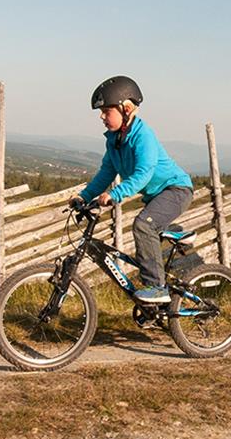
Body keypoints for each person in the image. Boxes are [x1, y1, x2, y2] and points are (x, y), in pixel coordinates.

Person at [73, 76, 194, 304]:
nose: (101, 116)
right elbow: (106, 173)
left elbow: (144, 172)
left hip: (176, 190)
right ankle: (159, 299)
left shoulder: (143, 135)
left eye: (106, 111)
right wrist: (84, 196)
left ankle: (157, 288)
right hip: (157, 196)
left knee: (143, 224)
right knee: (146, 230)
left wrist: (116, 194)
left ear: (126, 108)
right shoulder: (114, 141)